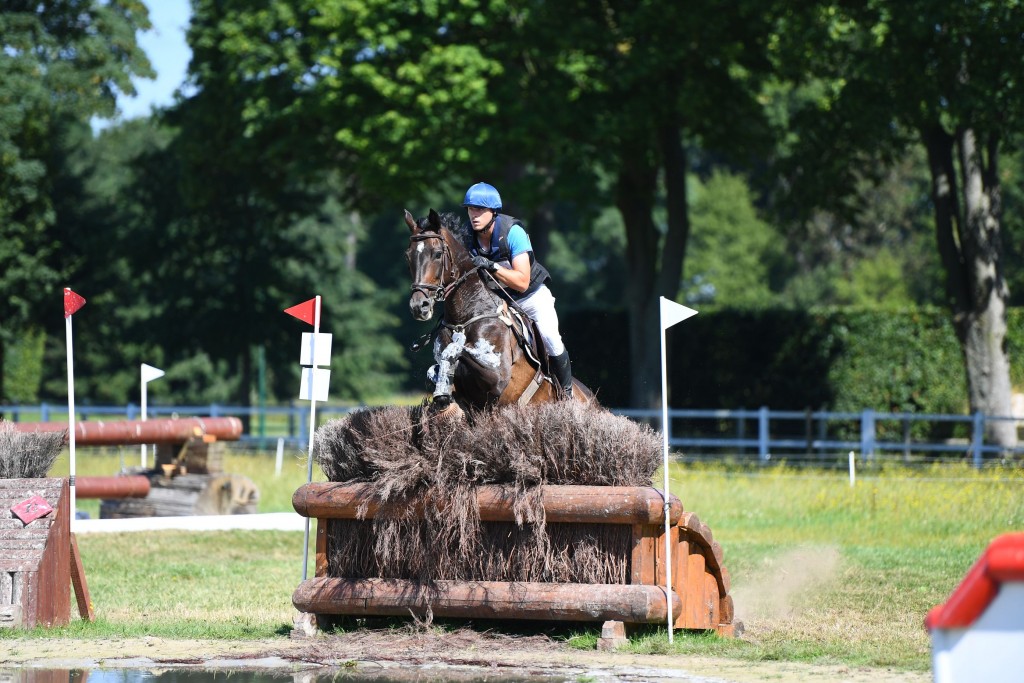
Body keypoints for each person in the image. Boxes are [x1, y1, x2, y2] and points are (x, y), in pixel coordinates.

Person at [461, 181, 574, 398]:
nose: (473, 215)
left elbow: (522, 281)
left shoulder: (513, 232)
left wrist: (492, 266)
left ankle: (566, 396)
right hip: (499, 301)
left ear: (493, 212)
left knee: (551, 338)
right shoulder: (467, 237)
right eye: (470, 209)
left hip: (530, 297)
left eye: (479, 209)